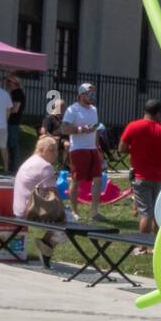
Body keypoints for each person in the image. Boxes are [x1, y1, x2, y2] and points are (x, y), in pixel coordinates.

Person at [13, 135, 73, 270]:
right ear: (43, 150)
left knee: (62, 218)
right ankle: (46, 247)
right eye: (52, 150)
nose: (55, 154)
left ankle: (45, 245)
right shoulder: (46, 167)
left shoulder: (30, 161)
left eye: (56, 150)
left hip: (19, 209)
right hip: (31, 210)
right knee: (69, 219)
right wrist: (64, 210)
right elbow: (54, 193)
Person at [120, 99, 161, 246]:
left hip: (141, 177)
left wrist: (135, 151)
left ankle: (142, 247)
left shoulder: (133, 126)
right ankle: (157, 245)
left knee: (145, 213)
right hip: (159, 177)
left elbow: (121, 148)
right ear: (158, 113)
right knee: (158, 212)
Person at [62, 83, 103, 221]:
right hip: (78, 148)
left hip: (92, 148)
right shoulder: (72, 109)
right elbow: (65, 129)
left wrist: (98, 148)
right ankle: (74, 211)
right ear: (81, 95)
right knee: (76, 180)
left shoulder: (94, 109)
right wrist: (81, 129)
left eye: (93, 94)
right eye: (89, 94)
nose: (92, 97)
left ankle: (94, 212)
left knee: (98, 179)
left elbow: (95, 129)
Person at [5, 74, 26, 171]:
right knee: (10, 144)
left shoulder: (17, 93)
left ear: (15, 83)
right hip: (11, 121)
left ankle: (15, 167)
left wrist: (4, 112)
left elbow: (15, 109)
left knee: (13, 144)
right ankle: (12, 166)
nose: (7, 84)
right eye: (7, 82)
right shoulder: (13, 92)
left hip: (13, 121)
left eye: (9, 82)